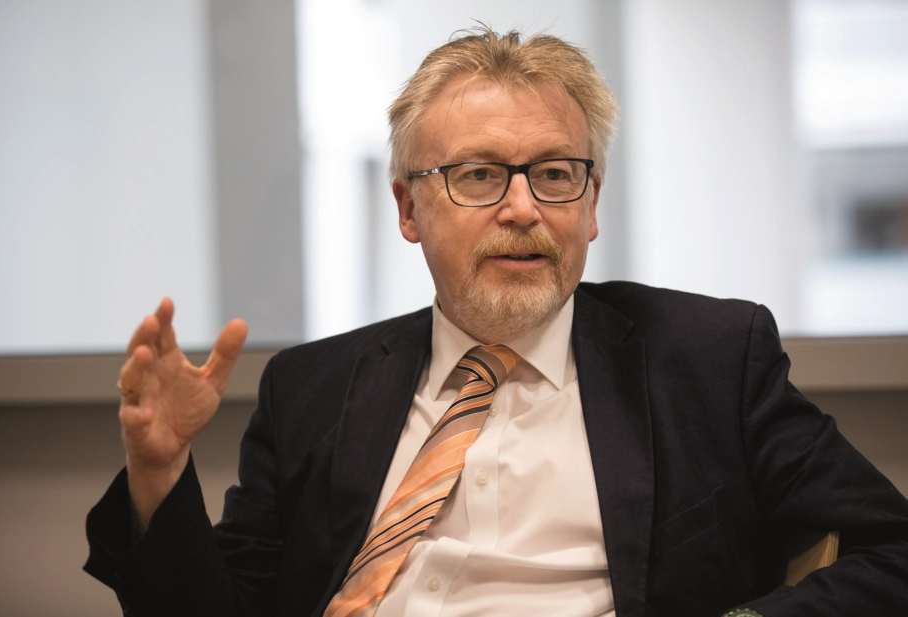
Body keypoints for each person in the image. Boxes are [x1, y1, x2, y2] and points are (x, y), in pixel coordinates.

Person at [85, 28, 908, 617]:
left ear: (591, 203)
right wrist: (158, 470)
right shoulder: (312, 387)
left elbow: (891, 550)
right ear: (408, 208)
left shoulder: (708, 358)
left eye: (554, 173)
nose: (522, 208)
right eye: (479, 175)